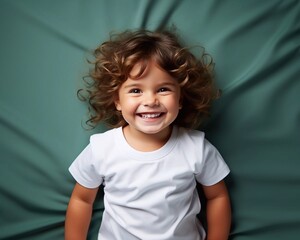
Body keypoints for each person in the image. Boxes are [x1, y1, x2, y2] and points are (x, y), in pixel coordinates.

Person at [65, 29, 231, 240]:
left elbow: (217, 196)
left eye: (163, 89)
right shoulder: (101, 148)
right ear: (117, 100)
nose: (150, 101)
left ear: (180, 99)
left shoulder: (196, 147)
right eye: (136, 90)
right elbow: (82, 200)